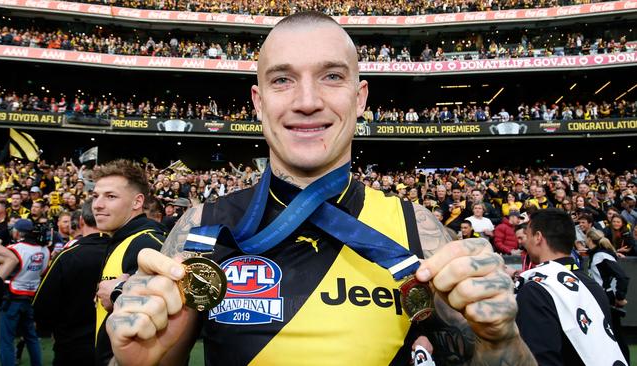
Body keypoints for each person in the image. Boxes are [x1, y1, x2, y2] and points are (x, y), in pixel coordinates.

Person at [105, 12, 534, 366]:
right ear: (258, 102)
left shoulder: (417, 229)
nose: (306, 100)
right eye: (282, 80)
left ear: (360, 97)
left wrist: (501, 341)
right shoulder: (202, 228)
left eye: (331, 76)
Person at [516, 209, 626, 366]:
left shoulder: (535, 290)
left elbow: (541, 358)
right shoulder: (593, 286)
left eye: (527, 235)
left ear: (538, 237)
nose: (524, 242)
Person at [92, 159, 166, 365]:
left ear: (137, 202)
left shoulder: (147, 243)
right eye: (95, 196)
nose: (97, 205)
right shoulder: (119, 239)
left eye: (111, 196)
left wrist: (118, 292)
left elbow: (170, 310)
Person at [33, 199, 110, 366]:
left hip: (72, 346)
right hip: (113, 347)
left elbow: (42, 306)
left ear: (81, 221)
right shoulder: (124, 252)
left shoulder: (68, 256)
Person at [0, 219, 50, 366]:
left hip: (12, 297)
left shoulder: (15, 248)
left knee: (6, 340)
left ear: (18, 232)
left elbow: (4, 270)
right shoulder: (45, 250)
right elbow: (43, 272)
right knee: (31, 337)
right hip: (31, 298)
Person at [586, 229, 630, 361]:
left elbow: (622, 277)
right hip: (601, 297)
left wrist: (619, 297)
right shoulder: (598, 254)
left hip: (606, 297)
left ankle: (624, 361)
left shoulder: (601, 255)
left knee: (614, 332)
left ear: (589, 239)